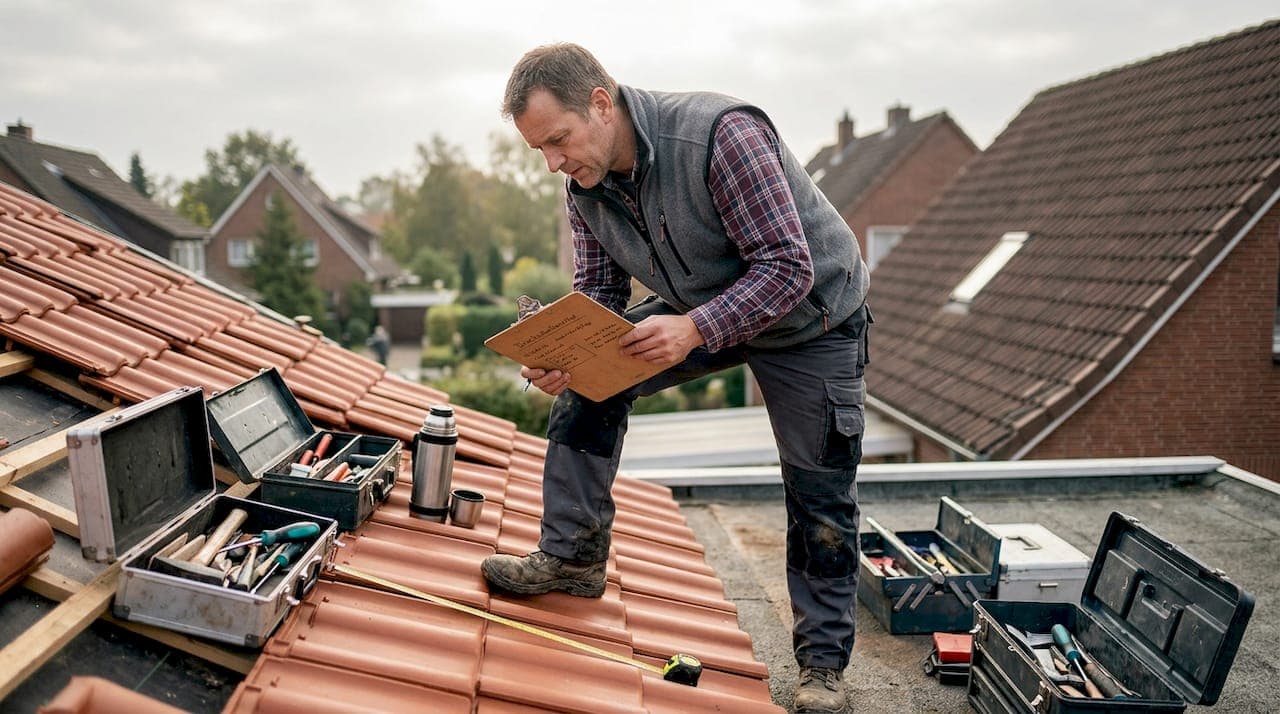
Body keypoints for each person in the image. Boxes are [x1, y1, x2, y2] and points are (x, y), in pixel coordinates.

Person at [480, 43, 870, 714]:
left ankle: (823, 668)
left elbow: (786, 268)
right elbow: (598, 296)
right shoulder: (585, 186)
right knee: (591, 383)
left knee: (819, 490)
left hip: (813, 318)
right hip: (706, 302)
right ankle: (571, 556)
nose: (552, 163)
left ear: (601, 105)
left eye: (558, 140)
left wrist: (692, 329)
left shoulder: (721, 136)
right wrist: (568, 354)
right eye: (538, 150)